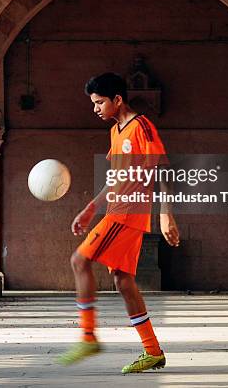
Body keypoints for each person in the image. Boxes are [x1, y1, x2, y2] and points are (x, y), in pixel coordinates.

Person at [58, 72, 180, 373]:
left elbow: (162, 171)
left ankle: (88, 337)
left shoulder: (142, 128)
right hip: (117, 210)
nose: (95, 108)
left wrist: (166, 213)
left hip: (126, 214)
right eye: (93, 103)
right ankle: (152, 351)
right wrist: (90, 209)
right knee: (123, 282)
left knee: (79, 261)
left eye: (99, 103)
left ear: (117, 99)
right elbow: (115, 179)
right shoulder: (117, 131)